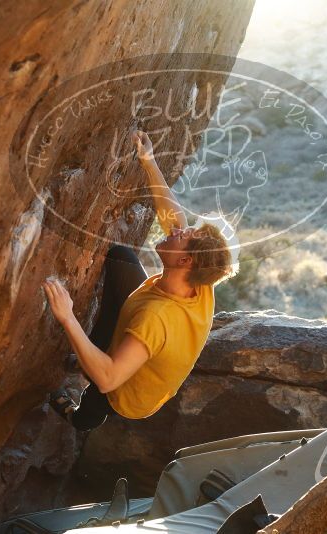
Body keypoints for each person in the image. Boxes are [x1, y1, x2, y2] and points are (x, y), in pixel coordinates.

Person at [43, 130, 238, 431]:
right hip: (140, 329)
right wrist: (149, 161)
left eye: (182, 238)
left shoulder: (156, 318)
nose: (176, 230)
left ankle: (80, 418)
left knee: (100, 394)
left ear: (185, 261)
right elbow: (174, 217)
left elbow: (109, 378)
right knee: (121, 258)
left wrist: (67, 316)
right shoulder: (200, 282)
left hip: (129, 390)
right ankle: (87, 357)